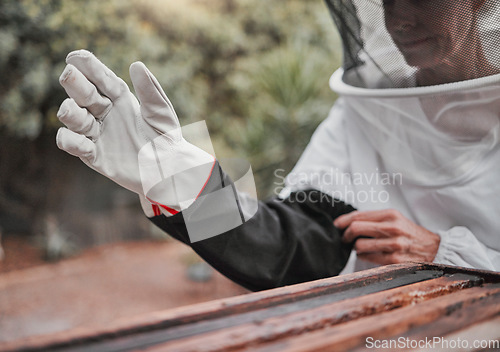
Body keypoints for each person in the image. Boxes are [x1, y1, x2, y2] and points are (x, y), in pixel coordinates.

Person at [55, 0, 500, 291]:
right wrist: (180, 183)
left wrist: (444, 253)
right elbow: (289, 243)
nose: (400, 17)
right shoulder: (361, 117)